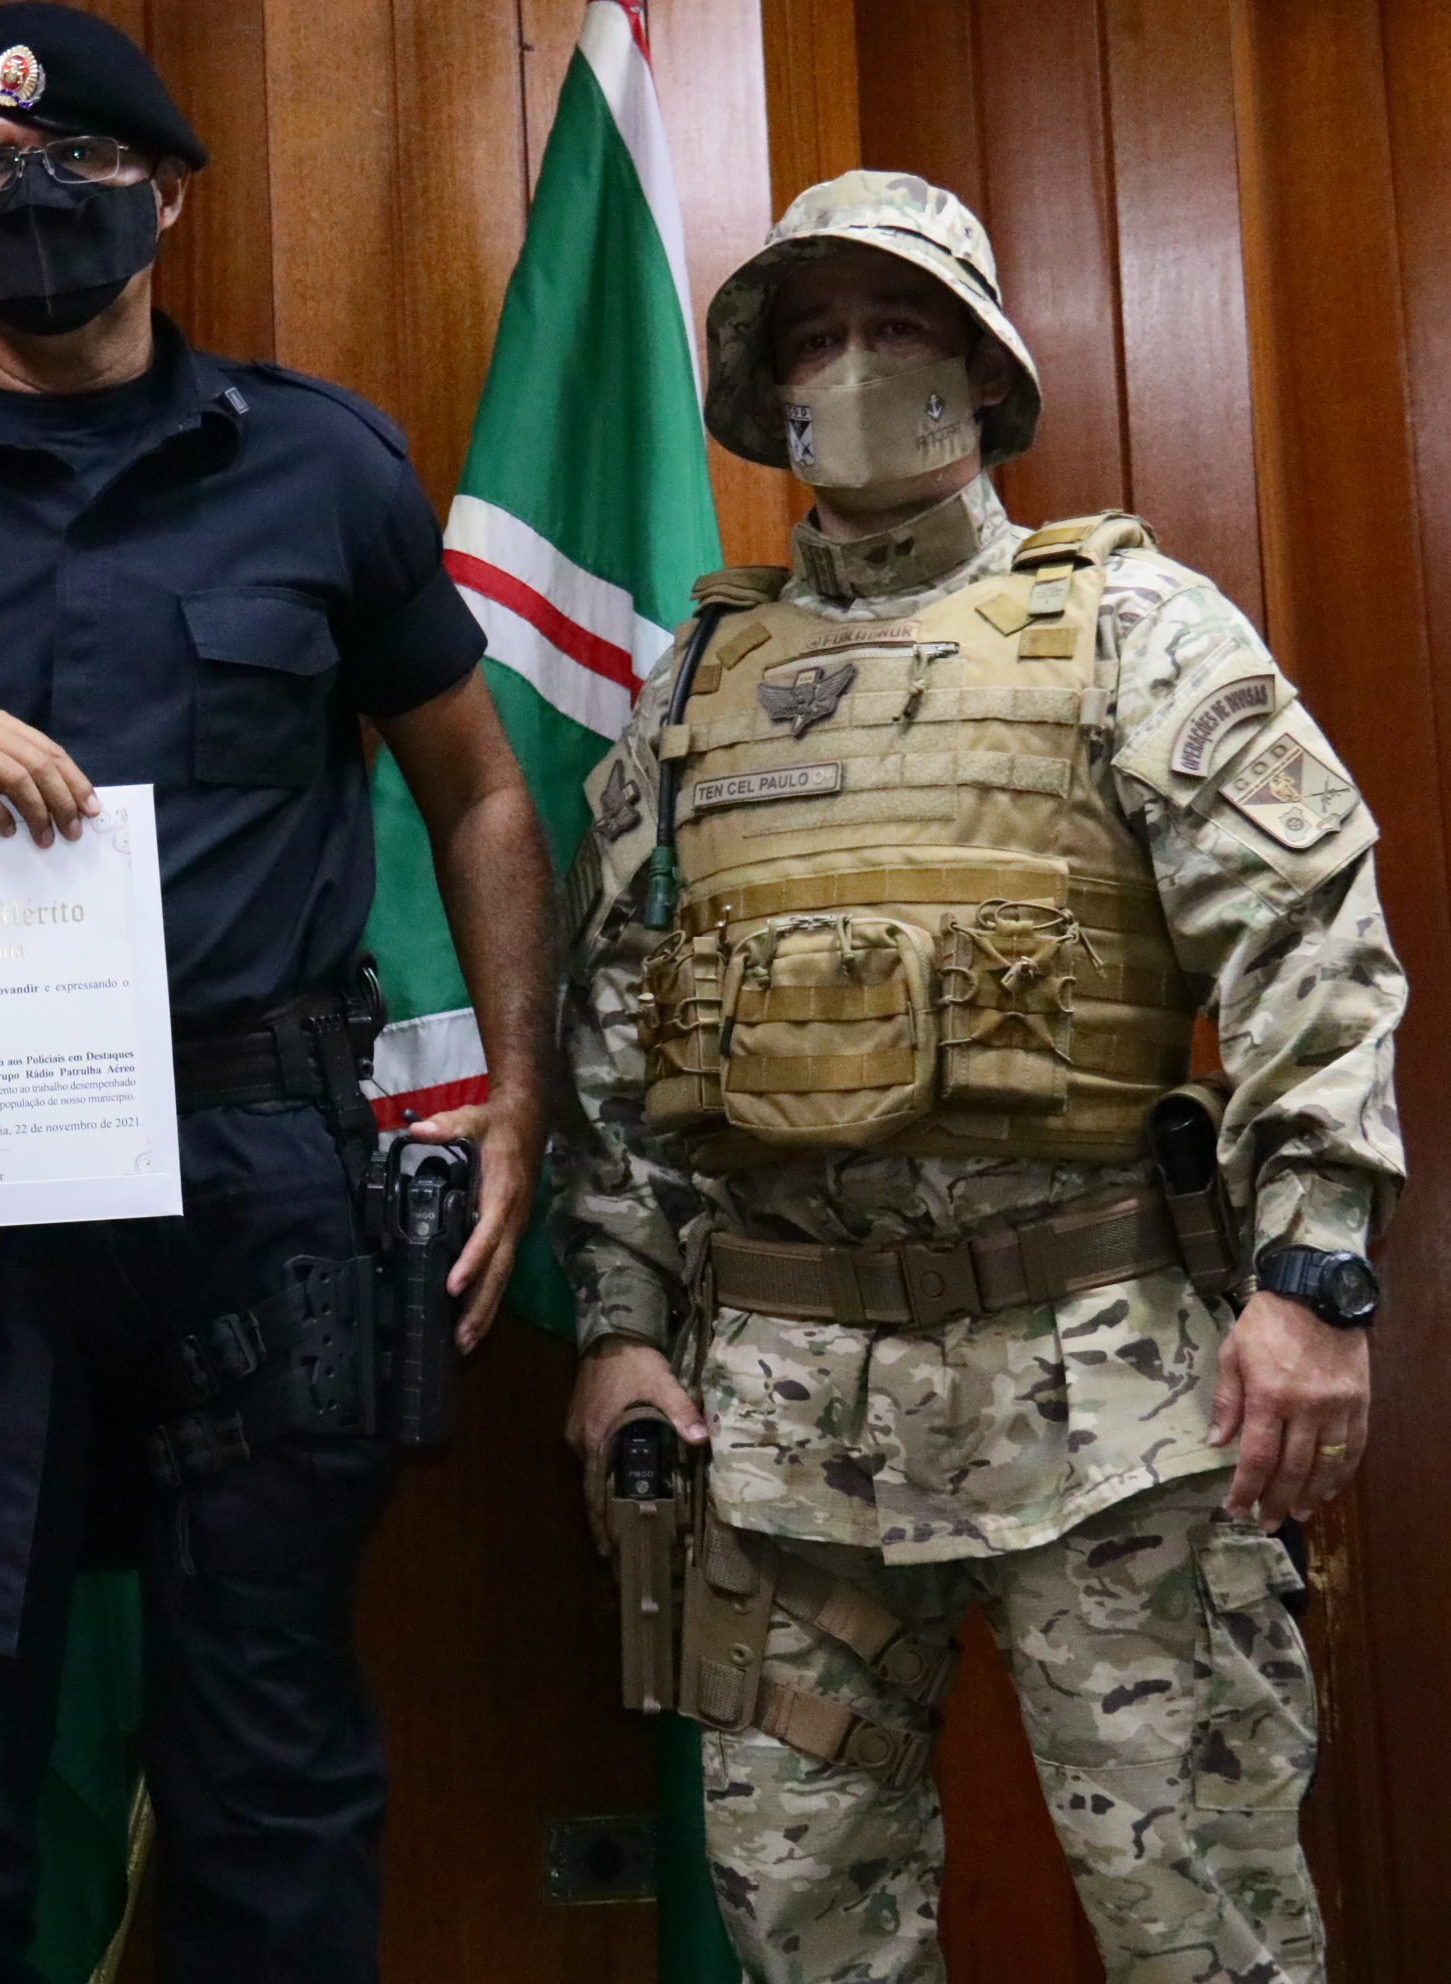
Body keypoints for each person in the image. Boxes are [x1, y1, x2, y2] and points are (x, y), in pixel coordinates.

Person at [0, 8, 555, 1978]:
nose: (33, 197)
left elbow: (482, 790)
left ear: (164, 196)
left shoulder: (320, 465)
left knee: (270, 1767)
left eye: (78, 163)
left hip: (252, 1179)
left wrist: (517, 1091)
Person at [558, 171, 1406, 1983]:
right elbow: (617, 1040)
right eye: (816, 338)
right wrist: (619, 1331)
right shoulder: (693, 692)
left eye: (900, 328)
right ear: (768, 389)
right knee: (806, 1937)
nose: (857, 367)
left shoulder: (1135, 628)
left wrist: (1312, 1277)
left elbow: (1310, 953)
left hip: (1110, 1394)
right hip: (780, 1419)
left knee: (1205, 1930)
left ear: (987, 371)